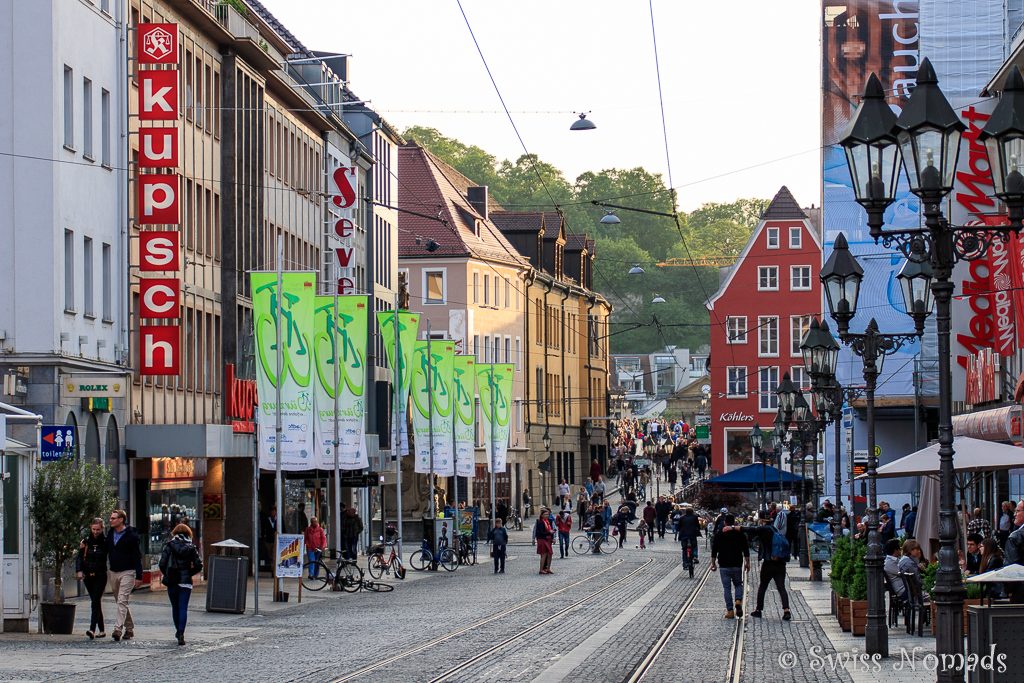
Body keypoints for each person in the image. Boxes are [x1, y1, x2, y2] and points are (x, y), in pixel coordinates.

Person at [158, 523, 203, 646]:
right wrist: (188, 573)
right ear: (188, 534)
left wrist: (167, 574)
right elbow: (199, 565)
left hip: (172, 580)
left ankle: (178, 630)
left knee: (175, 607)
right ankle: (181, 633)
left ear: (174, 533)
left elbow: (162, 563)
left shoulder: (169, 545)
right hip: (185, 582)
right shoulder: (191, 547)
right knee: (183, 607)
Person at [105, 509, 143, 642]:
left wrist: (139, 575)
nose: (111, 520)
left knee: (122, 600)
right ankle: (130, 628)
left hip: (128, 571)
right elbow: (105, 549)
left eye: (114, 518)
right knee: (121, 602)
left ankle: (117, 629)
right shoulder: (110, 534)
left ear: (121, 519)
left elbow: (137, 556)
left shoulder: (131, 536)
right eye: (111, 518)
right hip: (114, 572)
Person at [748, 512, 792, 621]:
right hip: (780, 564)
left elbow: (751, 531)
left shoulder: (765, 530)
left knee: (763, 586)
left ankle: (758, 610)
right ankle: (786, 610)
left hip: (768, 563)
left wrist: (734, 527)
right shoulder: (779, 530)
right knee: (781, 587)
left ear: (763, 520)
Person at [710, 514, 750, 619]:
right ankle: (738, 600)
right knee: (738, 585)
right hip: (737, 563)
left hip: (724, 564)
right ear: (734, 522)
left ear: (725, 522)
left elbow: (714, 550)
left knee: (726, 588)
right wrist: (747, 562)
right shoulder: (740, 534)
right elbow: (746, 549)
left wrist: (713, 563)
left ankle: (730, 611)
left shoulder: (719, 534)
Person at [76, 517, 109, 640]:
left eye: (98, 529)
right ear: (91, 528)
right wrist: (79, 570)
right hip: (88, 576)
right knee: (96, 602)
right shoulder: (85, 542)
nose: (96, 532)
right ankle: (102, 630)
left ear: (102, 529)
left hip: (100, 575)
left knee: (95, 601)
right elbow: (79, 557)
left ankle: (92, 629)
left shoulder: (106, 542)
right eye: (94, 529)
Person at [1004, 500, 1024, 603]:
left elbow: (1011, 566)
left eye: (1018, 511)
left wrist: (1008, 590)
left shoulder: (1015, 537)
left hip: (1020, 591)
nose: (1015, 514)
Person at [535, 507, 555, 574]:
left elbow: (551, 529)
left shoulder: (549, 521)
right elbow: (540, 532)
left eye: (548, 514)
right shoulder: (540, 522)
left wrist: (552, 537)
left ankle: (548, 568)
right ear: (542, 515)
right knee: (544, 554)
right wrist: (550, 532)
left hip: (548, 539)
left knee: (550, 554)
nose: (547, 516)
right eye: (545, 514)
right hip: (542, 539)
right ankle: (541, 569)